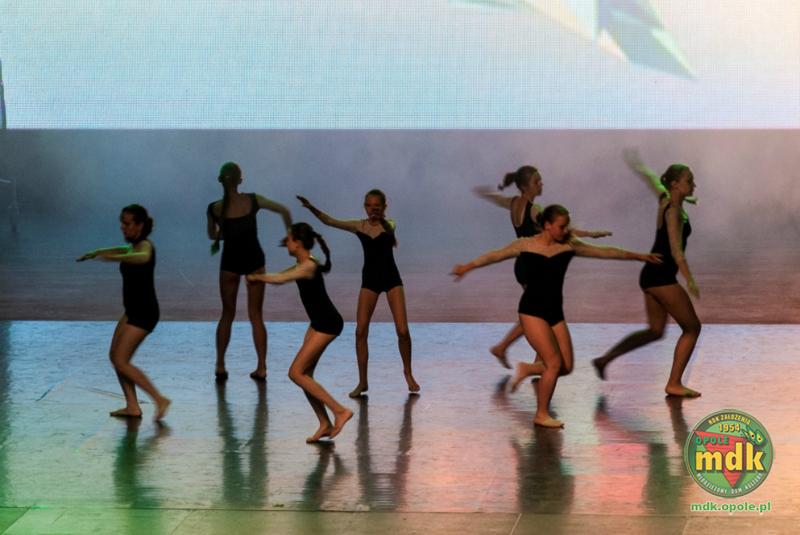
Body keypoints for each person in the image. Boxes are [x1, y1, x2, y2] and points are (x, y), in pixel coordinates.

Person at [452, 205, 660, 428]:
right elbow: (495, 255)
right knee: (553, 364)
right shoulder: (526, 245)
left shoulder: (568, 245)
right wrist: (468, 266)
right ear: (547, 225)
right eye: (561, 226)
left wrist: (638, 256)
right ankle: (541, 414)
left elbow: (605, 252)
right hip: (531, 311)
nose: (566, 230)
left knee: (566, 367)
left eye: (566, 225)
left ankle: (528, 369)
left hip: (555, 313)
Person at [474, 166, 611, 368]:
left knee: (540, 313)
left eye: (540, 180)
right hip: (533, 267)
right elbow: (559, 230)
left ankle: (529, 359)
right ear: (525, 186)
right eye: (536, 181)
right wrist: (590, 234)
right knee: (541, 315)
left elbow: (497, 199)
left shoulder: (513, 203)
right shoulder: (534, 210)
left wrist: (485, 193)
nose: (541, 184)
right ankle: (512, 352)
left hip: (522, 266)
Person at [592, 154, 702, 397]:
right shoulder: (674, 213)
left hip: (650, 275)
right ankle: (674, 383)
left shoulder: (665, 200)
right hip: (662, 277)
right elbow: (676, 251)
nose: (694, 185)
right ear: (675, 184)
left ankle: (604, 359)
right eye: (689, 181)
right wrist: (690, 279)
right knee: (692, 328)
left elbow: (653, 179)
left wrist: (640, 166)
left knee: (655, 331)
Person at [298, 190, 419, 398]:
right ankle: (362, 382)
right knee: (361, 331)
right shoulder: (359, 226)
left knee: (402, 330)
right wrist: (311, 208)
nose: (373, 209)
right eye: (369, 206)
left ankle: (408, 373)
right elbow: (330, 221)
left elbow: (388, 227)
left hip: (392, 279)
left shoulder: (390, 224)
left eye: (377, 206)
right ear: (365, 206)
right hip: (370, 281)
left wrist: (381, 220)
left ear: (384, 207)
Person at [247, 223, 353, 442]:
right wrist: (261, 276)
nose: (286, 243)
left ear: (298, 242)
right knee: (305, 375)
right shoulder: (303, 263)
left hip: (328, 324)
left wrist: (257, 278)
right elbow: (282, 275)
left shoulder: (308, 266)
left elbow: (281, 279)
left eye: (289, 239)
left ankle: (340, 411)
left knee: (295, 373)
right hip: (318, 323)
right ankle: (324, 423)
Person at [77, 204, 170, 421]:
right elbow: (124, 250)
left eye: (127, 224)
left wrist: (112, 258)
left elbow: (141, 257)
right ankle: (132, 406)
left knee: (121, 361)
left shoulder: (145, 246)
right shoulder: (134, 246)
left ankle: (160, 399)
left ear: (139, 225)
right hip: (132, 311)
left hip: (144, 313)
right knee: (115, 356)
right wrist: (100, 252)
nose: (122, 227)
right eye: (122, 223)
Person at [207, 162, 292, 382]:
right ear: (240, 180)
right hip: (254, 260)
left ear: (220, 180)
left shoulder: (214, 208)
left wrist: (229, 233)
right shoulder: (253, 200)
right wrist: (290, 235)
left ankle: (220, 365)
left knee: (227, 314)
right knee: (256, 315)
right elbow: (284, 210)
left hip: (230, 261)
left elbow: (212, 235)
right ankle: (262, 367)